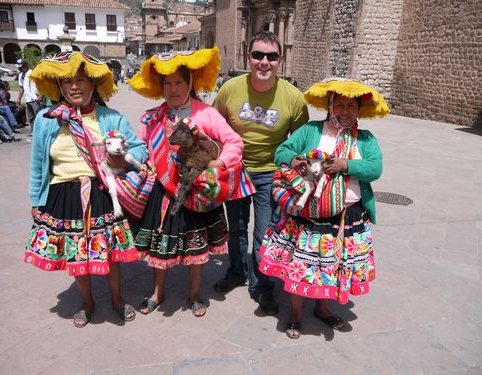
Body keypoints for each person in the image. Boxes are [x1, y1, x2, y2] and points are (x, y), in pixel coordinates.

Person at [24, 51, 148, 328]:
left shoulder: (110, 117)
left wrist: (121, 156)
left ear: (93, 84)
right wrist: (36, 198)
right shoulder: (47, 119)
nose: (74, 86)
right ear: (59, 86)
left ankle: (117, 298)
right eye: (67, 81)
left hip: (101, 192)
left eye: (81, 80)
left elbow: (140, 148)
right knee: (76, 252)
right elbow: (37, 164)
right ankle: (87, 302)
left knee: (112, 253)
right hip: (63, 196)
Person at [260, 77, 389, 338]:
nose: (345, 111)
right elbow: (282, 151)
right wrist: (295, 159)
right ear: (329, 105)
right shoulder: (311, 130)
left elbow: (375, 169)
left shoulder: (364, 139)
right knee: (303, 265)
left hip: (347, 217)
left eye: (351, 106)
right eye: (339, 105)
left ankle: (322, 308)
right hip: (308, 215)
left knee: (332, 265)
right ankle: (295, 314)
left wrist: (346, 165)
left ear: (359, 109)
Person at [129, 47, 253, 317]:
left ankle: (195, 295)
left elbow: (233, 141)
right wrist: (136, 158)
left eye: (179, 83)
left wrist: (216, 164)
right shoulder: (154, 117)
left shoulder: (205, 114)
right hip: (163, 191)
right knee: (159, 247)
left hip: (196, 193)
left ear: (190, 84)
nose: (173, 89)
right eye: (167, 83)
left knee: (197, 247)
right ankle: (157, 293)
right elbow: (141, 147)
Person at [213, 30, 309, 315]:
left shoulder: (293, 98)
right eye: (258, 55)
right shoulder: (230, 89)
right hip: (236, 169)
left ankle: (262, 285)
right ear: (248, 56)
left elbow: (299, 142)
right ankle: (236, 271)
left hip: (271, 174)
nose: (264, 62)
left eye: (271, 56)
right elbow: (213, 127)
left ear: (280, 60)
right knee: (237, 227)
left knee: (266, 230)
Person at [15, 59, 41, 143]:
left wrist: (40, 96)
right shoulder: (20, 75)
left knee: (38, 117)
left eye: (20, 67)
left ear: (25, 66)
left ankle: (40, 134)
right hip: (28, 99)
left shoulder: (33, 73)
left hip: (35, 99)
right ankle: (34, 133)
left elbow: (40, 84)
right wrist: (18, 99)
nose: (19, 69)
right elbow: (21, 87)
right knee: (31, 118)